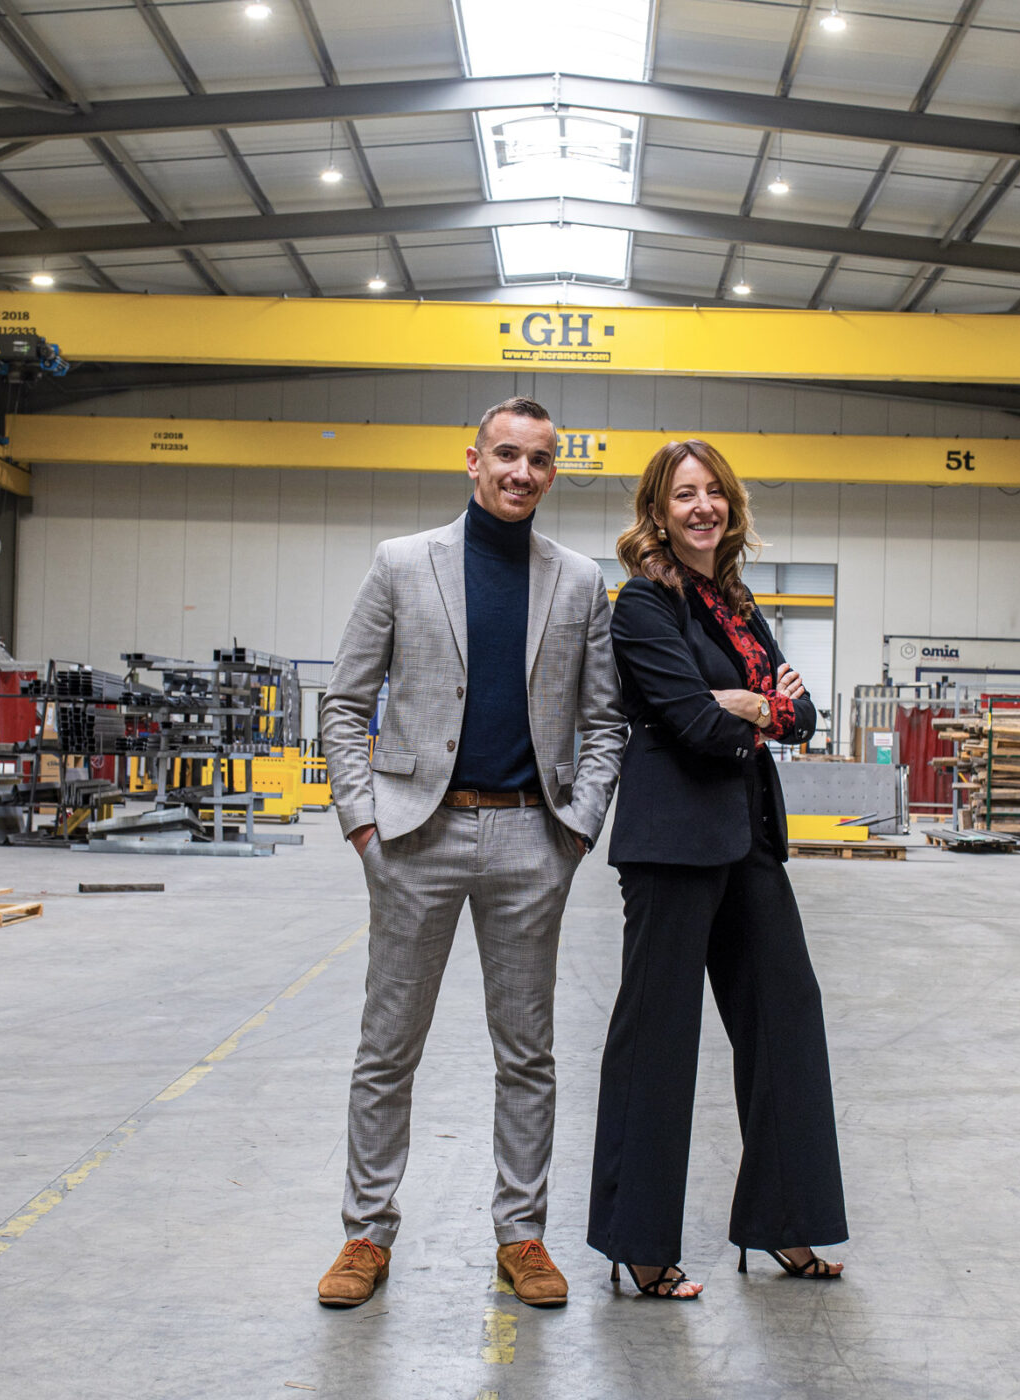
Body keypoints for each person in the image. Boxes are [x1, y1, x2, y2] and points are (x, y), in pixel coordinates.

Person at [317, 396, 626, 1310]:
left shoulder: (577, 580)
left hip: (534, 835)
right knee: (388, 1048)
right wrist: (363, 823)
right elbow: (345, 701)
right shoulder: (403, 564)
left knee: (527, 1051)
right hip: (416, 835)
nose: (519, 473)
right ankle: (365, 1237)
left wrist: (577, 828)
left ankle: (522, 1235)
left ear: (552, 473)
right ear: (472, 460)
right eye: (505, 455)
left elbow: (605, 719)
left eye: (537, 460)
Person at [586, 439, 847, 1299]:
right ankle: (640, 1245)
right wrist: (744, 707)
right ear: (658, 511)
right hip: (671, 843)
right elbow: (694, 727)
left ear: (730, 507)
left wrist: (752, 705)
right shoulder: (642, 606)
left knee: (787, 1023)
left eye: (715, 493)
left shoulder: (736, 605)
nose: (702, 507)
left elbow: (804, 714)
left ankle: (786, 1222)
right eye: (683, 494)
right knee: (657, 1042)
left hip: (748, 837)